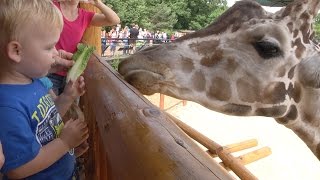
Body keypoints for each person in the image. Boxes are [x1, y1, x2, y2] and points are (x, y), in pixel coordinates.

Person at [0, 0, 88, 179]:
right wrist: (64, 143)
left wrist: (68, 96)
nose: (57, 53)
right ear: (16, 51)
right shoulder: (7, 106)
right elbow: (18, 169)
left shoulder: (34, 80)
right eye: (49, 47)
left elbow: (46, 120)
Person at [48, 0, 120, 95]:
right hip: (50, 71)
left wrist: (97, 3)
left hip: (72, 74)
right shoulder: (52, 6)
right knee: (49, 108)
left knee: (68, 107)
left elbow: (114, 20)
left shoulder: (85, 16)